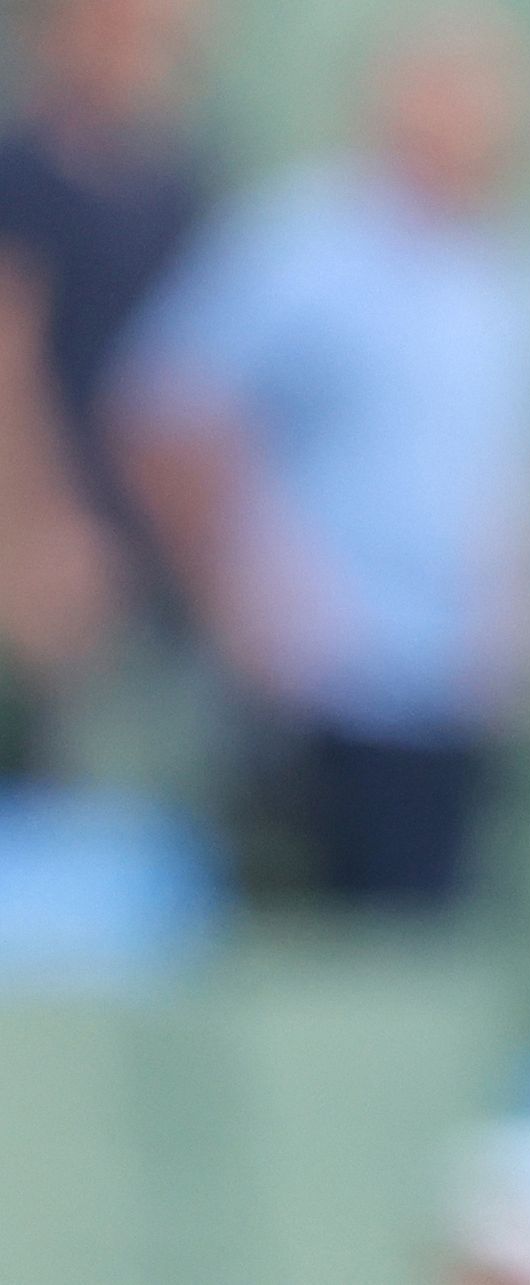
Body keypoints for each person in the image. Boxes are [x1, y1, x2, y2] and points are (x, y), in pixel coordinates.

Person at [108, 3, 530, 908]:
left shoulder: (528, 275)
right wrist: (244, 594)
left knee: (431, 949)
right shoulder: (302, 244)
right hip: (328, 680)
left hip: (458, 684)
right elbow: (168, 414)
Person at [0, 0, 209, 772]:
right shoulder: (20, 175)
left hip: (144, 539)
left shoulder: (178, 184)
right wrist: (31, 531)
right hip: (54, 533)